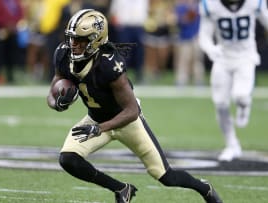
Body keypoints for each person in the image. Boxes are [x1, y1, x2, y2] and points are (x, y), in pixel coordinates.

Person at [47, 9, 222, 203]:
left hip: (126, 122)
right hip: (96, 120)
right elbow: (55, 84)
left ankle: (204, 188)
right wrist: (57, 103)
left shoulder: (109, 64)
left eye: (80, 40)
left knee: (166, 176)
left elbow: (132, 111)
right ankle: (121, 189)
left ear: (96, 40)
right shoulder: (64, 54)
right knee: (68, 159)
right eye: (71, 38)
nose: (73, 44)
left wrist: (99, 129)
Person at [198, 0, 268, 161]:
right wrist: (210, 48)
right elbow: (204, 35)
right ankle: (232, 145)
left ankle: (244, 105)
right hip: (223, 58)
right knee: (220, 104)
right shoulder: (211, 5)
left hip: (246, 57)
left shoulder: (253, 3)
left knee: (240, 96)